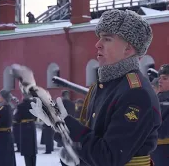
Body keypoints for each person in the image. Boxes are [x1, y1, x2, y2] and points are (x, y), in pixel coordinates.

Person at [28, 9, 161, 166]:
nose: (97, 44)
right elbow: (94, 140)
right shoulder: (104, 85)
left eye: (107, 39)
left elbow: (108, 157)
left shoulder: (136, 93)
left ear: (128, 49)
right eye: (99, 38)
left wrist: (64, 123)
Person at [14, 91, 38, 166]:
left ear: (23, 95)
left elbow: (17, 118)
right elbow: (36, 117)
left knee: (26, 150)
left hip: (24, 127)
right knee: (33, 149)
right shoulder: (34, 104)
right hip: (32, 126)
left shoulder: (20, 106)